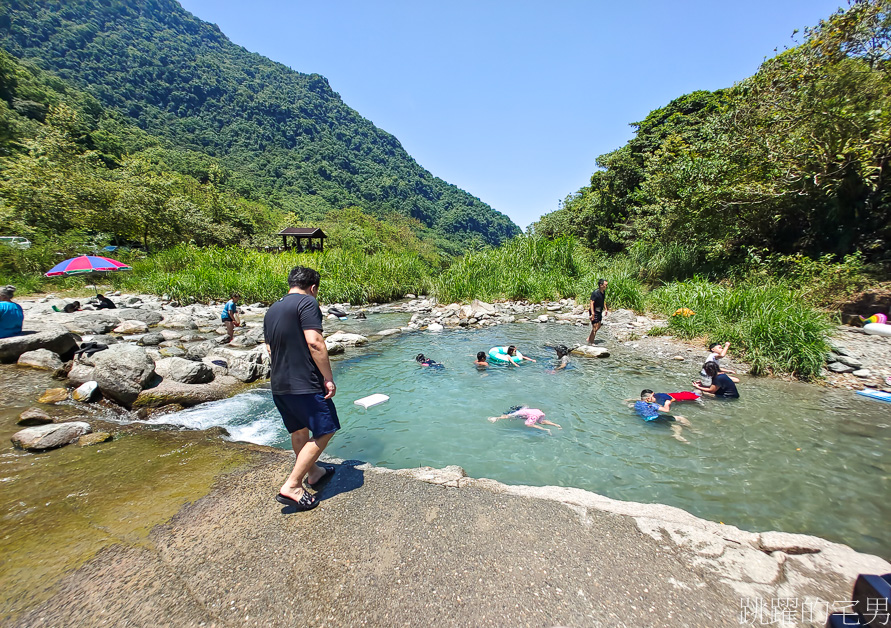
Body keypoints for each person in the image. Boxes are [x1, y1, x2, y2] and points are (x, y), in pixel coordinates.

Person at [264, 267, 339, 512]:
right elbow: (314, 342)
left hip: (279, 383)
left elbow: (270, 349)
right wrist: (328, 377)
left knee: (299, 431)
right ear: (313, 287)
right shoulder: (307, 303)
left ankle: (314, 472)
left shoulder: (273, 309)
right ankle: (293, 485)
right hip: (304, 383)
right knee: (326, 429)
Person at [488, 406, 561, 434]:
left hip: (533, 415)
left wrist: (496, 418)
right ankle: (556, 425)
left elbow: (506, 416)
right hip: (538, 411)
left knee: (528, 424)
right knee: (541, 421)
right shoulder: (523, 409)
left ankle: (546, 430)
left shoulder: (516, 413)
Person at [586, 279, 608, 344]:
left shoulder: (603, 292)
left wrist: (606, 309)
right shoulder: (595, 293)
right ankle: (591, 343)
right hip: (594, 311)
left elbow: (603, 300)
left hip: (599, 311)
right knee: (595, 327)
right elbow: (591, 302)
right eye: (605, 285)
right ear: (601, 285)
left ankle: (589, 338)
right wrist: (592, 313)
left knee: (599, 325)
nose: (606, 286)